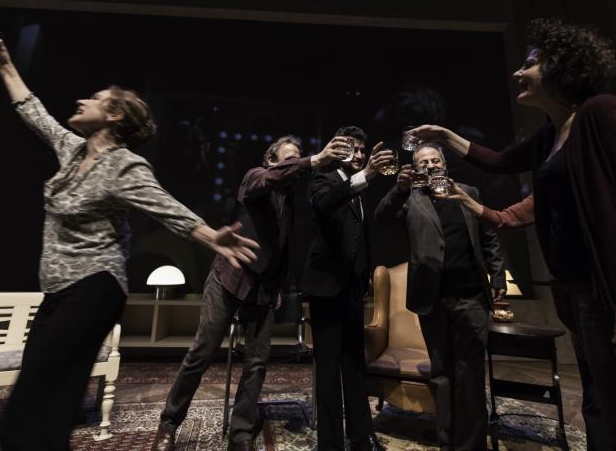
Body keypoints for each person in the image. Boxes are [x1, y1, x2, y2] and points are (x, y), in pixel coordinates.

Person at [0, 35, 259, 450]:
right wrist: (5, 65)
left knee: (36, 392)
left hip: (94, 286)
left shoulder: (125, 165)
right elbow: (34, 112)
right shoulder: (72, 150)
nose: (81, 101)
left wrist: (212, 237)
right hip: (58, 290)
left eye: (93, 99)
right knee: (50, 394)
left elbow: (165, 207)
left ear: (113, 114)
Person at [412, 17, 616, 449]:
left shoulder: (604, 112)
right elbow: (500, 161)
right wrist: (446, 135)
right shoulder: (552, 135)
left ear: (561, 67)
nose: (517, 72)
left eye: (530, 63)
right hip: (587, 295)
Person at [445, 188, 616, 450]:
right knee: (600, 402)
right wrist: (468, 200)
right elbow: (504, 218)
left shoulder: (613, 188)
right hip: (588, 307)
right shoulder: (553, 188)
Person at [152, 135, 349, 451]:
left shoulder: (293, 201)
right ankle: (169, 423)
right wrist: (311, 161)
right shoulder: (256, 177)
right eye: (288, 159)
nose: (293, 164)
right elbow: (268, 180)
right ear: (272, 161)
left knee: (257, 363)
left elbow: (283, 248)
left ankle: (241, 432)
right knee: (202, 352)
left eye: (297, 158)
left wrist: (278, 286)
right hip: (229, 279)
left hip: (263, 290)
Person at [373, 143, 505, 450]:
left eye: (435, 160)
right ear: (417, 167)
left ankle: (470, 445)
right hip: (432, 300)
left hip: (471, 298)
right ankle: (447, 440)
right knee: (442, 373)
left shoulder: (469, 193)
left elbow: (489, 237)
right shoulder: (410, 198)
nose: (430, 165)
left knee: (470, 373)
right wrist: (399, 188)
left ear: (444, 163)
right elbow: (381, 216)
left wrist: (498, 276)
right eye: (424, 162)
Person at [300, 125, 393, 451]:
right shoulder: (323, 178)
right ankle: (330, 443)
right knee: (328, 368)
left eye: (363, 149)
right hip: (326, 287)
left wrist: (365, 277)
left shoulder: (360, 188)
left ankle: (360, 435)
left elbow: (361, 238)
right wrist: (366, 174)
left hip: (352, 289)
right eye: (354, 148)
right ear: (339, 150)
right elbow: (325, 204)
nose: (360, 154)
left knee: (355, 363)